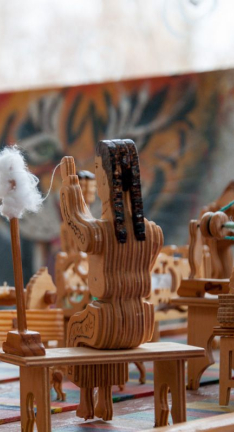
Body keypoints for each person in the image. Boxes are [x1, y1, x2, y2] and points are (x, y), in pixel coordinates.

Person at [59, 139, 163, 420]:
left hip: (107, 319)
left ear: (106, 182)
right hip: (140, 322)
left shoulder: (100, 232)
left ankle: (86, 399)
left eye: (98, 173)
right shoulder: (152, 232)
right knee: (104, 335)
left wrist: (70, 188)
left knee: (76, 332)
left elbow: (76, 221)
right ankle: (105, 398)